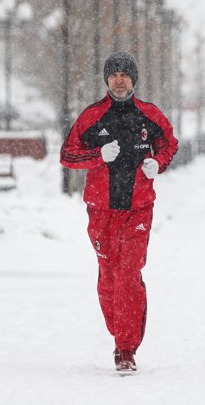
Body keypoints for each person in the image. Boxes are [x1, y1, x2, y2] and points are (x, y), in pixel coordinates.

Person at [60, 51, 178, 373]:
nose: (119, 80)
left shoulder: (149, 114)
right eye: (114, 75)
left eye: (125, 74)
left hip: (139, 208)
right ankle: (120, 331)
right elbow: (68, 155)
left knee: (128, 275)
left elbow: (169, 143)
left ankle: (125, 348)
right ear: (107, 80)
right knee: (109, 277)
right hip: (101, 211)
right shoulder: (92, 117)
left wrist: (159, 163)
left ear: (134, 79)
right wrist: (98, 156)